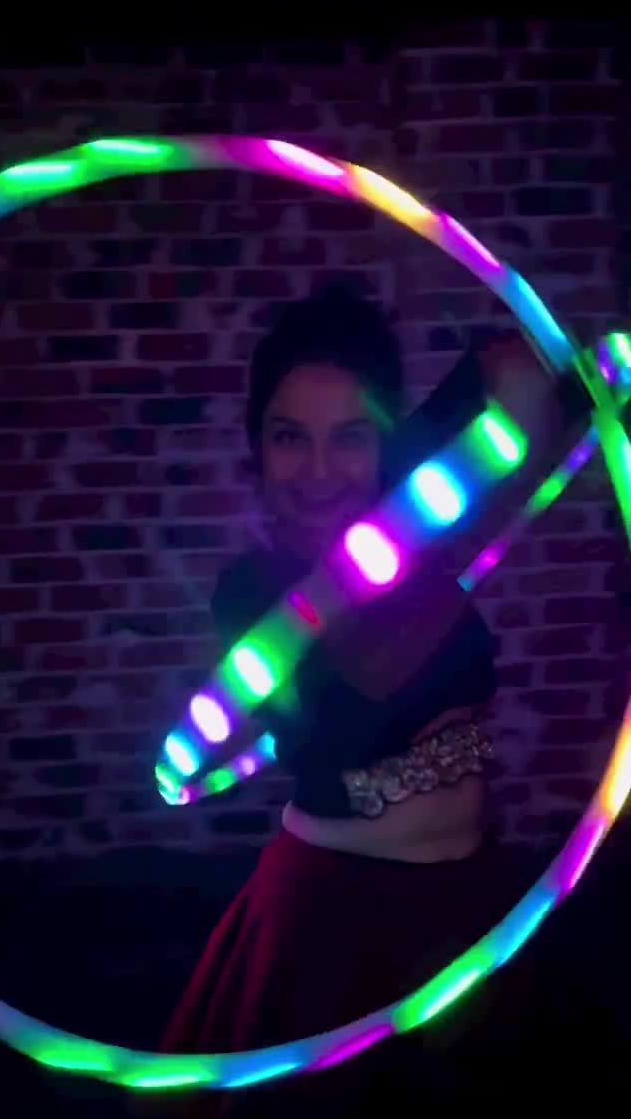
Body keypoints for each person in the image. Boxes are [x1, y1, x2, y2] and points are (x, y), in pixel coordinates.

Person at [154, 287, 626, 1115]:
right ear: (257, 450)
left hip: (473, 896)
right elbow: (370, 660)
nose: (319, 471)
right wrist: (428, 505)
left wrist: (440, 448)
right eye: (289, 437)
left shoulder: (423, 530)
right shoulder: (254, 593)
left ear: (385, 442)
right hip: (333, 919)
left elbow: (528, 383)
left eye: (351, 436)